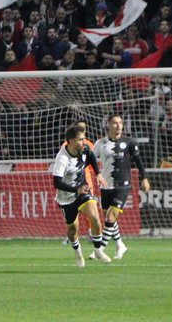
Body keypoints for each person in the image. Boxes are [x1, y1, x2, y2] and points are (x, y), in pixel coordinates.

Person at [91, 114, 150, 261]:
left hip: (123, 185)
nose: (118, 126)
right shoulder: (101, 143)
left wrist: (144, 178)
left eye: (120, 123)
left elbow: (138, 161)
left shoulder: (129, 142)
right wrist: (95, 174)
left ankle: (99, 249)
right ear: (108, 125)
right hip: (106, 186)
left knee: (111, 216)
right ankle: (120, 245)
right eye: (115, 123)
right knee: (109, 218)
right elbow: (90, 160)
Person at [51, 124, 102, 267]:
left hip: (82, 192)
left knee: (95, 216)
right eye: (80, 139)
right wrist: (75, 189)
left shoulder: (84, 149)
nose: (83, 142)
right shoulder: (62, 159)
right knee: (73, 230)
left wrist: (98, 173)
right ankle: (78, 252)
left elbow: (91, 156)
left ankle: (98, 249)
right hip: (66, 198)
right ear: (71, 141)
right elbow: (56, 182)